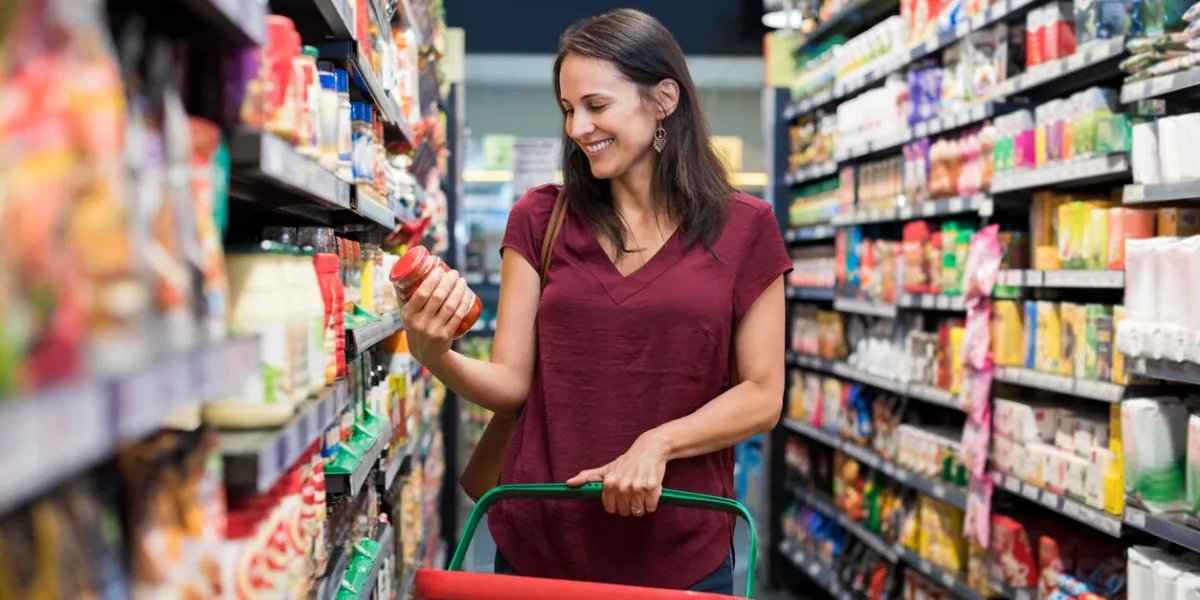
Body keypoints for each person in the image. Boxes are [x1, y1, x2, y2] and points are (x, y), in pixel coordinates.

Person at [399, 8, 791, 595]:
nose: (578, 127)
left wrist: (657, 443)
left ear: (663, 99)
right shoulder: (540, 217)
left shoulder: (745, 227)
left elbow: (762, 394)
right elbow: (512, 383)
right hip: (543, 541)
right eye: (566, 109)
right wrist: (436, 355)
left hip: (680, 546)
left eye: (596, 105)